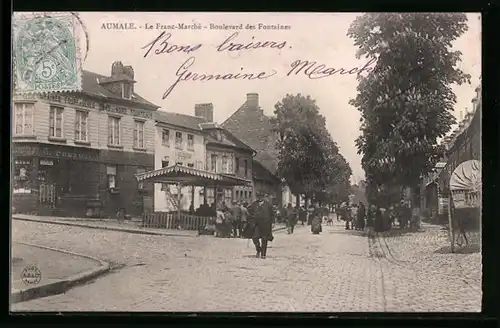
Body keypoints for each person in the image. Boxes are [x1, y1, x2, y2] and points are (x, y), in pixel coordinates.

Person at [248, 193, 275, 259]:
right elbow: (249, 211)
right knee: (255, 238)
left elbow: (272, 214)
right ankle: (258, 249)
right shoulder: (254, 204)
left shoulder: (268, 205)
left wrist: (273, 222)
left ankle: (263, 254)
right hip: (256, 224)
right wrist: (252, 218)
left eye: (261, 196)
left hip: (266, 224)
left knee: (264, 239)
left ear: (263, 197)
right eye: (258, 196)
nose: (259, 198)